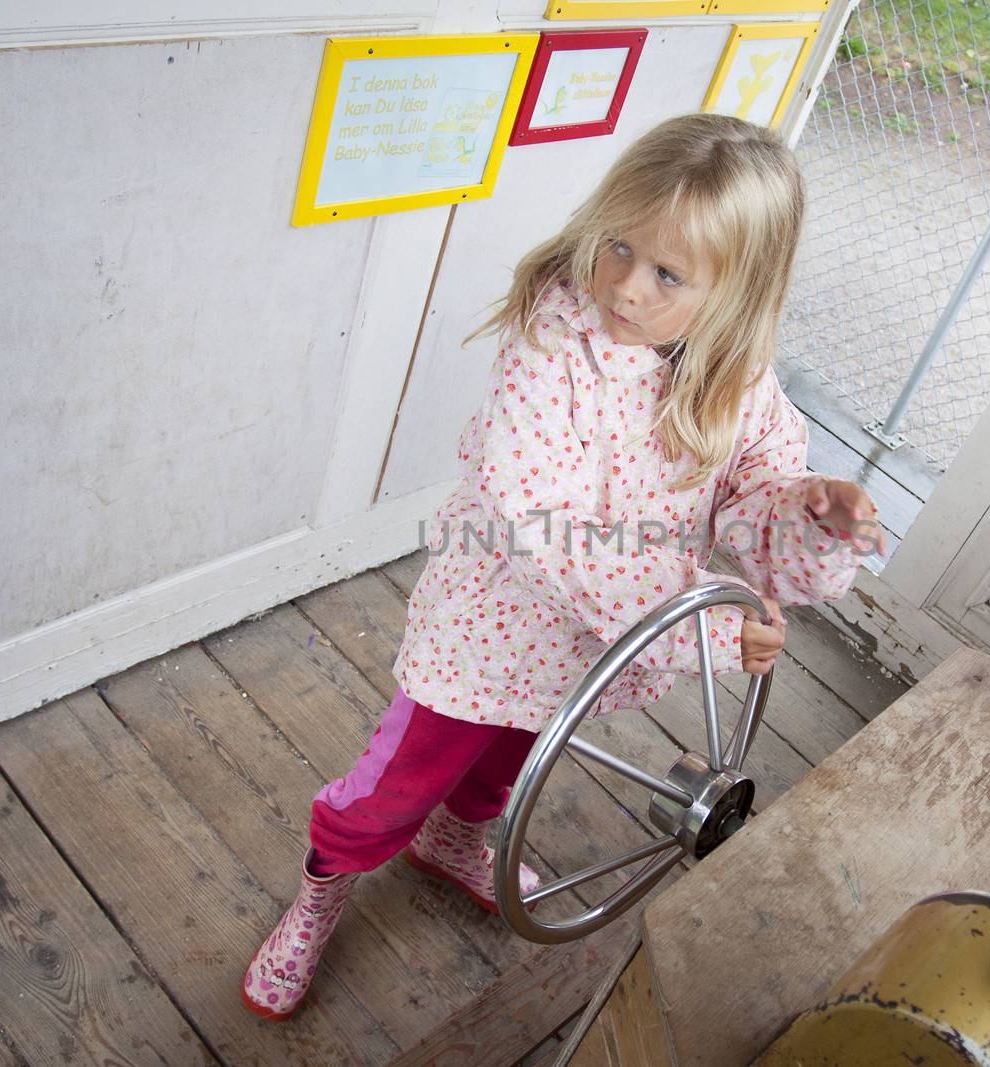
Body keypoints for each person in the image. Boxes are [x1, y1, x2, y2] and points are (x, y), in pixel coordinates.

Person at [241, 112, 884, 1021]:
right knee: (397, 784)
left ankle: (460, 842)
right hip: (490, 630)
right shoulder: (556, 338)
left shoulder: (738, 377)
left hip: (589, 651)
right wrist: (708, 619)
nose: (625, 285)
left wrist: (813, 519)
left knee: (511, 759)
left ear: (737, 291)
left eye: (668, 274)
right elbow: (539, 515)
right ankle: (322, 891)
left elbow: (756, 492)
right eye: (619, 246)